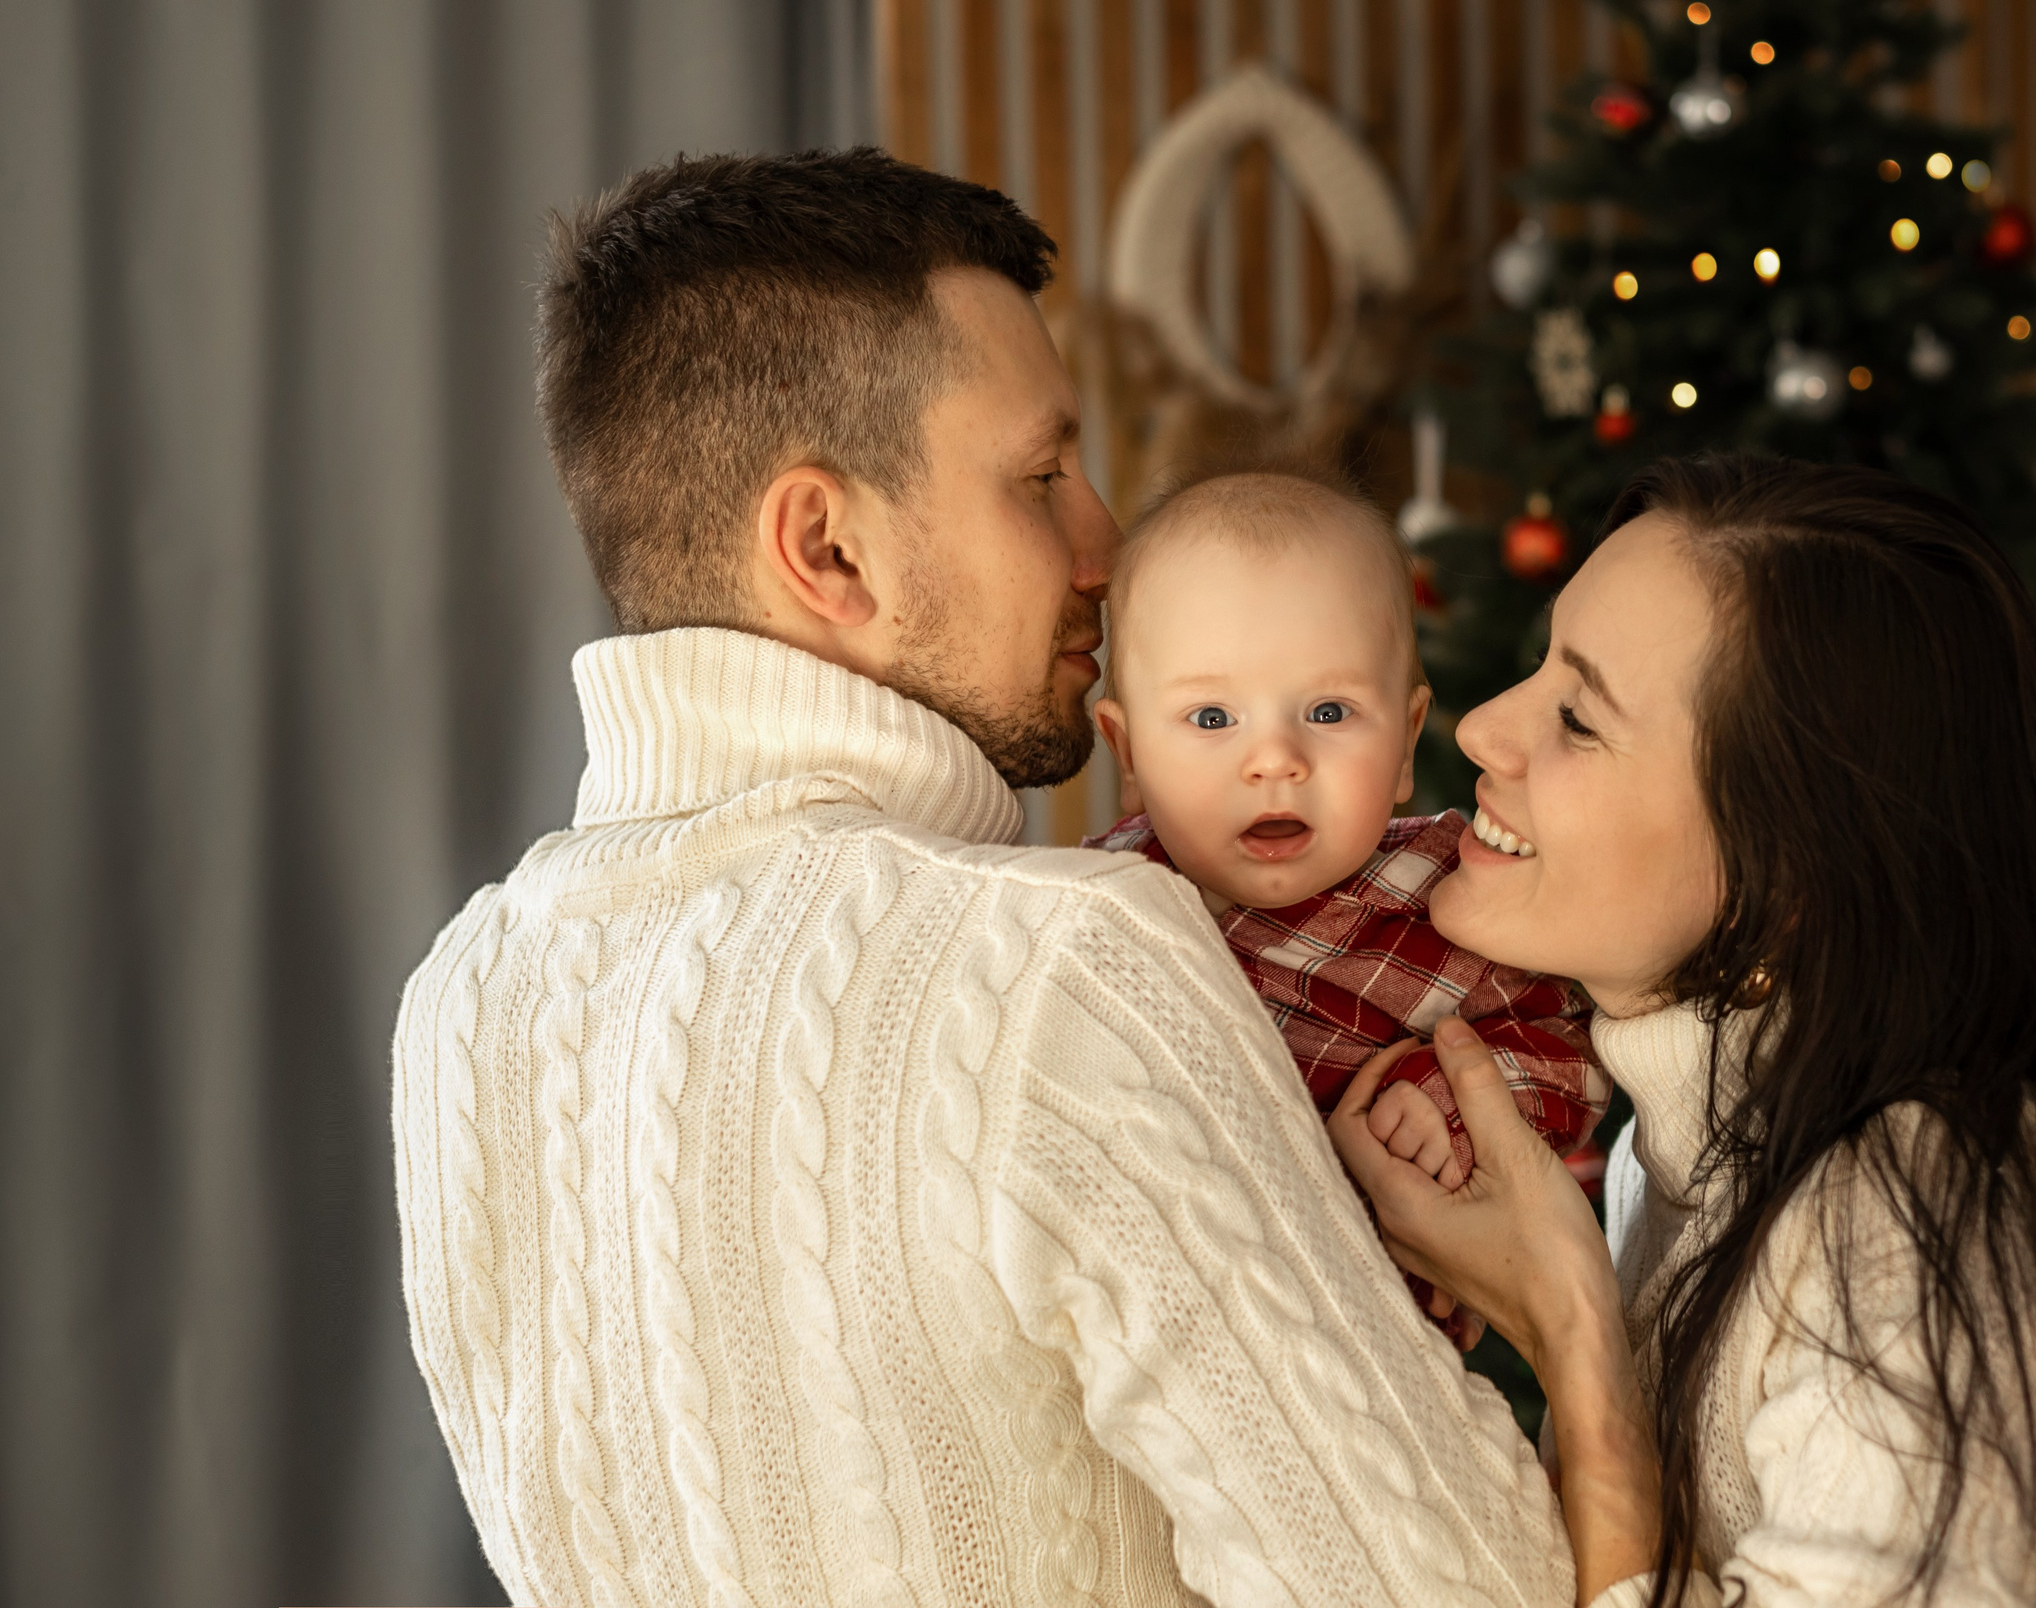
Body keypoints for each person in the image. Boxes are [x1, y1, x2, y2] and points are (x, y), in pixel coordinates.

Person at [389, 149, 1595, 1608]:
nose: (1106, 545)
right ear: (827, 545)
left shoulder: (458, 1005)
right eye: (1043, 476)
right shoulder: (1056, 958)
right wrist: (1575, 1315)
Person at [1332, 454, 2036, 1607]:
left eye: (1578, 718)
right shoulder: (1678, 1150)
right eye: (1542, 666)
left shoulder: (1931, 1216)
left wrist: (1572, 1334)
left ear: (1783, 878)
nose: (1483, 726)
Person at [1080, 460, 1609, 1332]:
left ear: (1405, 745)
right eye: (1212, 719)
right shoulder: (1092, 913)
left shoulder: (1449, 897)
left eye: (1327, 712)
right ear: (1127, 751)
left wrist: (1446, 1099)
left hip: (1378, 1357)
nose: (1276, 758)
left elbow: (1571, 1052)